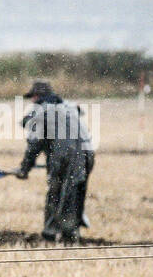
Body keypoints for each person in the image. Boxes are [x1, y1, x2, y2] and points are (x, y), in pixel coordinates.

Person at [14, 80, 95, 242]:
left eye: (33, 97)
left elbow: (34, 145)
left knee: (57, 192)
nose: (31, 101)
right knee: (75, 193)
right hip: (88, 152)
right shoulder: (69, 107)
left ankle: (55, 233)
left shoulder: (41, 112)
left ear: (37, 97)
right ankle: (70, 232)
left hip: (66, 154)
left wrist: (24, 169)